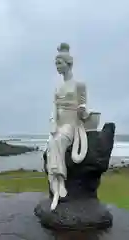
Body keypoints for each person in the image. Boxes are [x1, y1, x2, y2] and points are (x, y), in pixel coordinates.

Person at [46, 43, 89, 210]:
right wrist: (53, 122)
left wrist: (82, 110)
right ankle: (56, 183)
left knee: (58, 142)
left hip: (71, 124)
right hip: (59, 123)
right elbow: (54, 108)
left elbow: (85, 108)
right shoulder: (57, 87)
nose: (57, 67)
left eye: (59, 63)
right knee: (51, 142)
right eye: (56, 64)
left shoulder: (79, 85)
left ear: (68, 63)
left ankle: (60, 179)